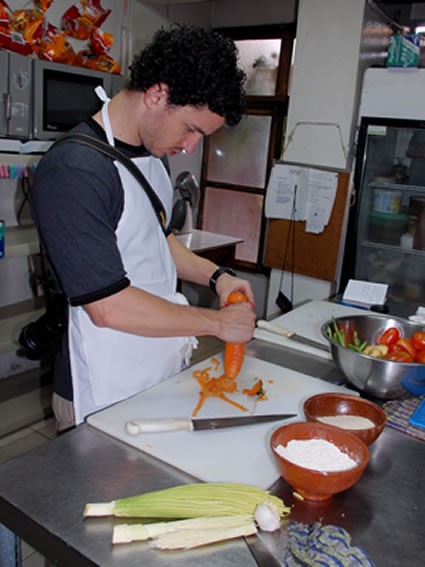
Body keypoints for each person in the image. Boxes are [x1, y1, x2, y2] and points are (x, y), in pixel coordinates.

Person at [30, 23, 256, 432]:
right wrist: (215, 324)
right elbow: (107, 306)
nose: (190, 147)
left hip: (160, 371)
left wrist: (217, 276)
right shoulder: (75, 171)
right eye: (191, 129)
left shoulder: (152, 153)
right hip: (102, 388)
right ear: (157, 95)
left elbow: (158, 238)